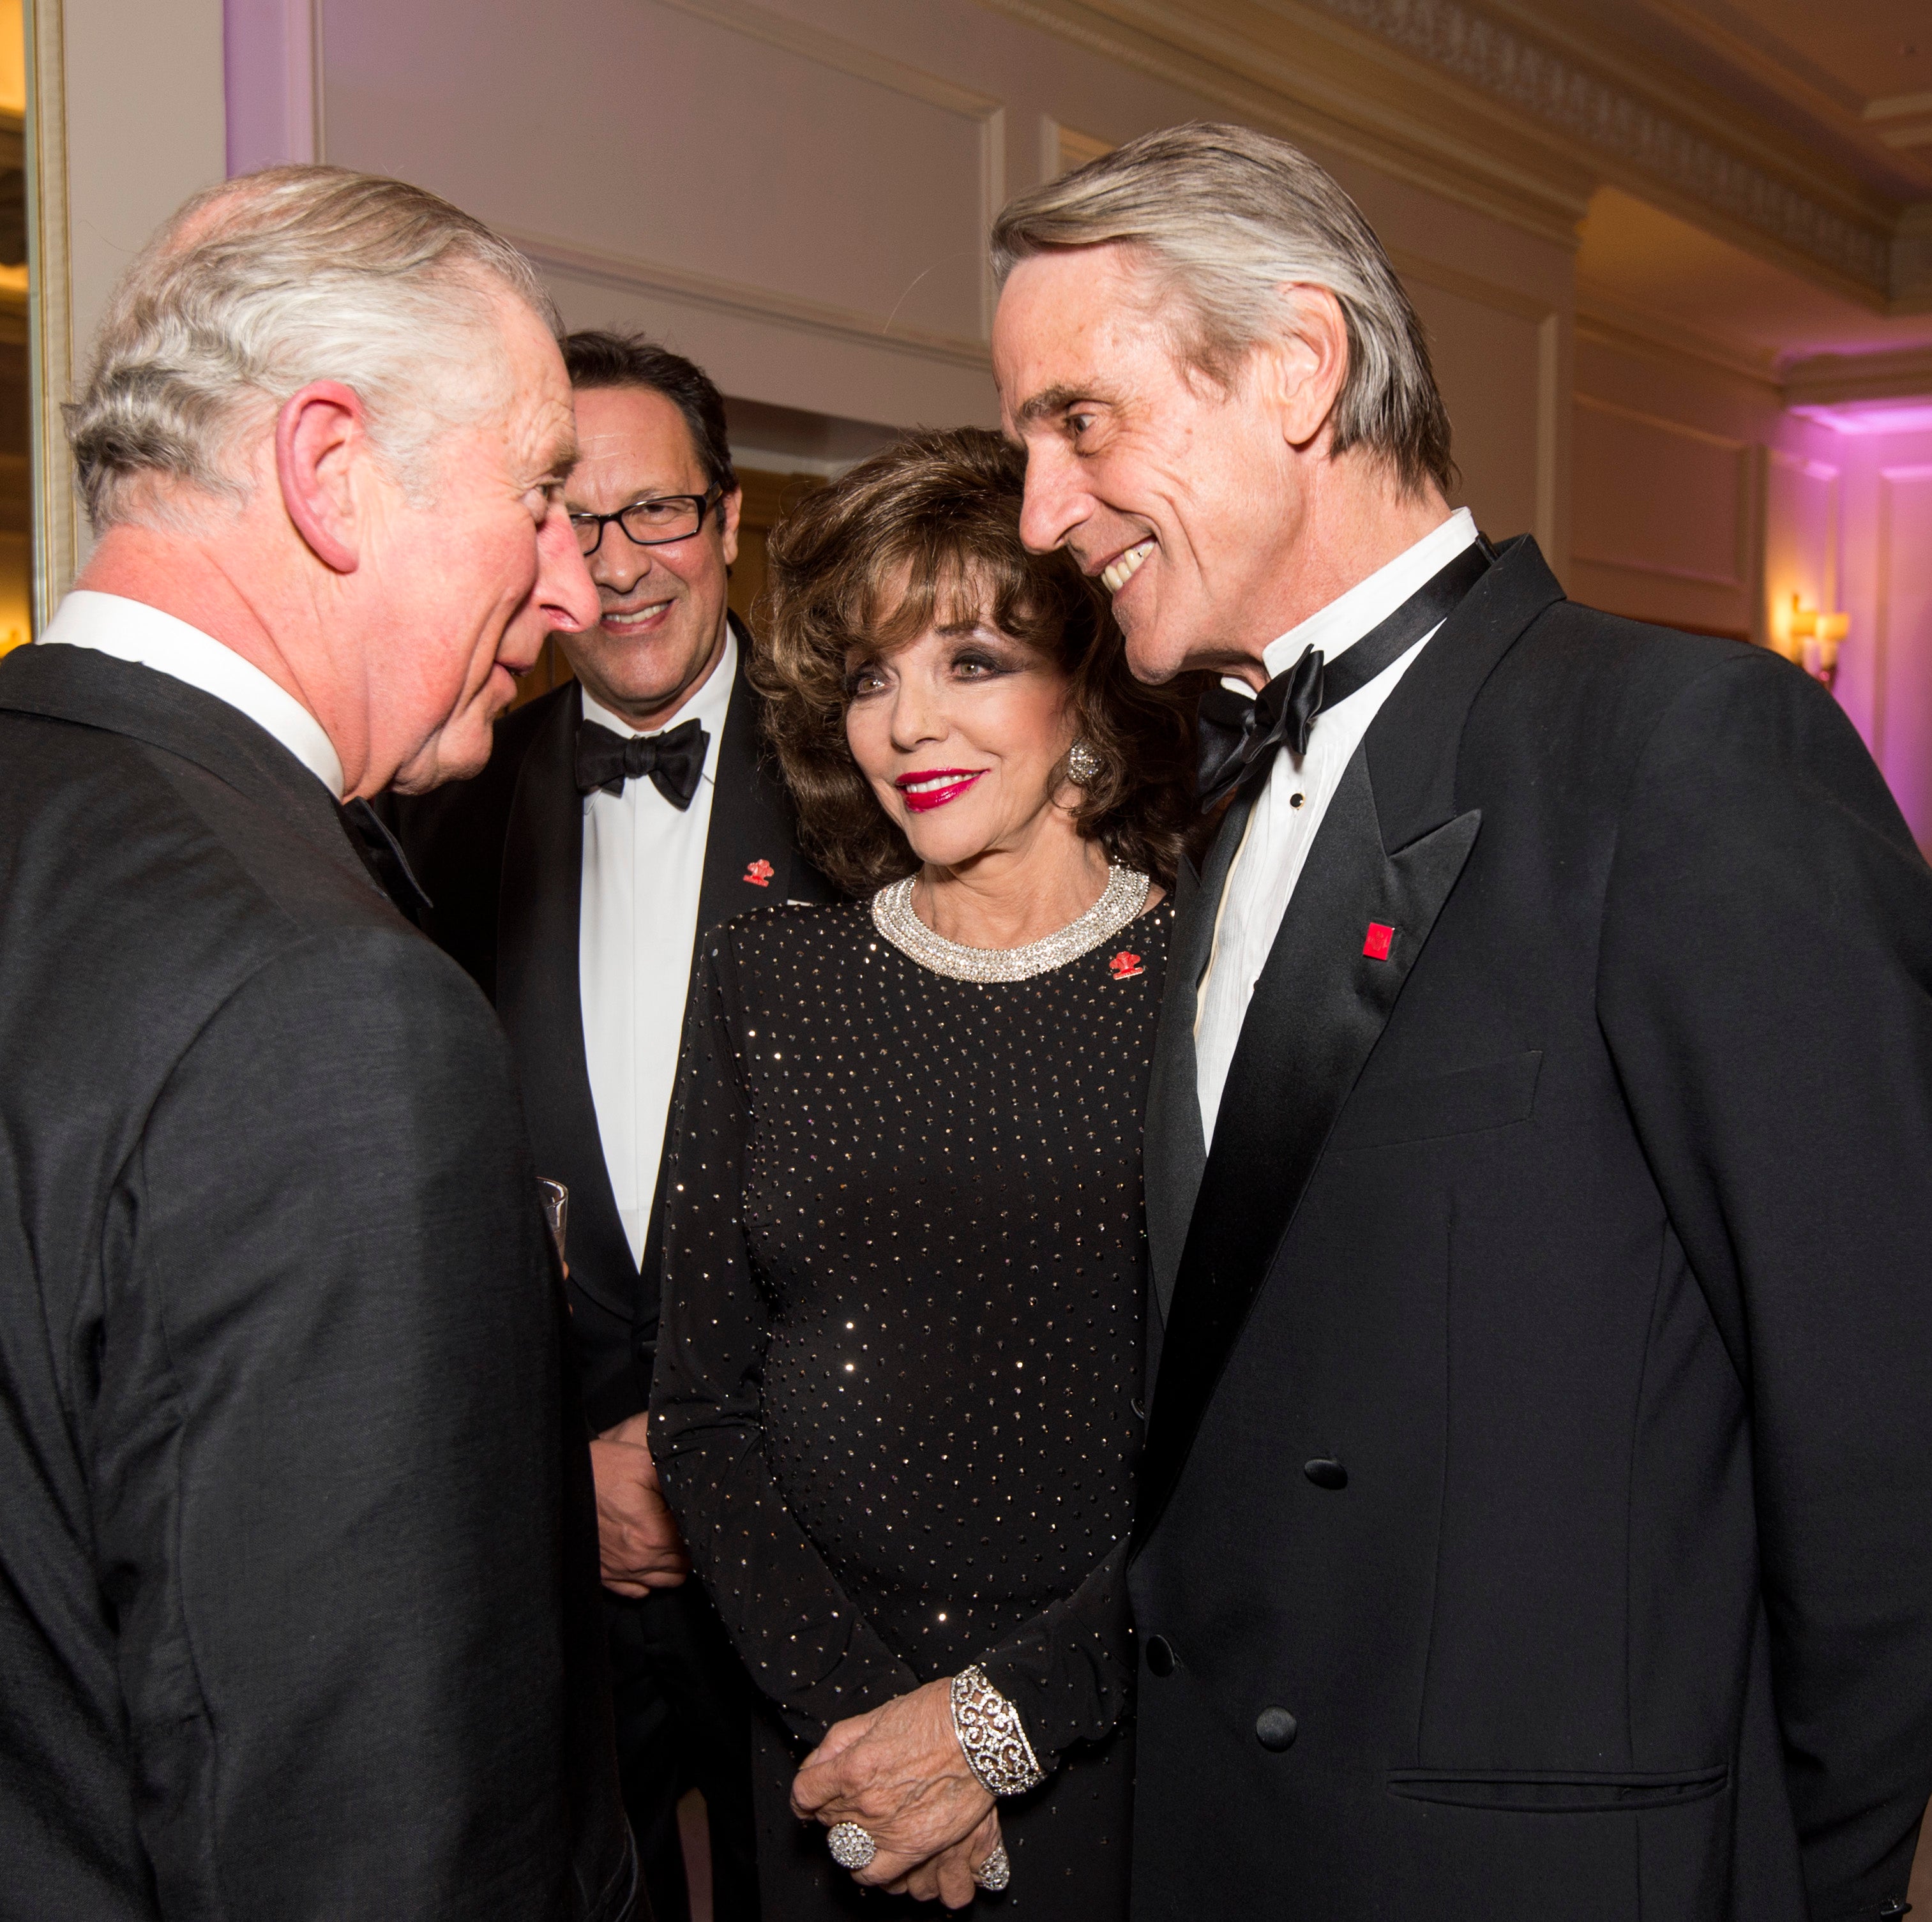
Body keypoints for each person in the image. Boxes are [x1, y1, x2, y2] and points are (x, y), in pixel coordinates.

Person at [990, 120, 1932, 1922]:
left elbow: (1880, 1431)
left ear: (1296, 366)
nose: (1042, 509)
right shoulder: (1219, 800)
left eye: (1079, 421)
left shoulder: (1683, 750)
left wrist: (1838, 1881)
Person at [0, 167, 638, 1918]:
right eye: (540, 495)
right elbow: (373, 1834)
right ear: (331, 469)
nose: (574, 588)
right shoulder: (321, 1002)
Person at [648, 427, 1197, 1917]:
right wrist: (872, 1732)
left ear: (1084, 684)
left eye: (967, 661)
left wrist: (993, 1723)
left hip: (1116, 1731)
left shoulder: (1206, 983)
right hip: (821, 1745)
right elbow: (702, 1404)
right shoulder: (769, 978)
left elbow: (1255, 1446)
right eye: (872, 677)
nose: (904, 725)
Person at [388, 329, 832, 1922]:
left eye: (655, 513)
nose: (615, 564)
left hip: (810, 1534)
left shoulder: (880, 781)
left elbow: (938, 1200)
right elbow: (407, 1207)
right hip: (550, 1547)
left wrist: (723, 1458)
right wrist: (551, 1465)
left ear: (725, 523)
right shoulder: (432, 800)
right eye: (570, 520)